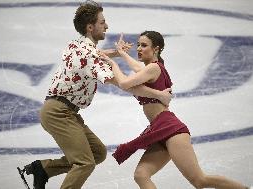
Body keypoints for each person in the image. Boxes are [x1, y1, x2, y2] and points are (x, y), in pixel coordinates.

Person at [16, 1, 172, 189]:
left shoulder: (77, 45)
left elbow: (96, 53)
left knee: (97, 153)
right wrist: (159, 95)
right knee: (84, 162)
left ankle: (43, 169)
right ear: (90, 27)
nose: (107, 26)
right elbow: (124, 84)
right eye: (102, 22)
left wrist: (118, 52)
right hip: (58, 113)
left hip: (67, 112)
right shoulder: (89, 57)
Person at [99, 30, 251, 189]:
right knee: (141, 175)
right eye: (138, 45)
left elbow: (124, 83)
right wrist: (123, 54)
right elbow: (137, 67)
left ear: (156, 49)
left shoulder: (153, 68)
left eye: (144, 45)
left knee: (199, 180)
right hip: (159, 129)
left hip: (170, 129)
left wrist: (114, 64)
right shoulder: (152, 68)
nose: (138, 48)